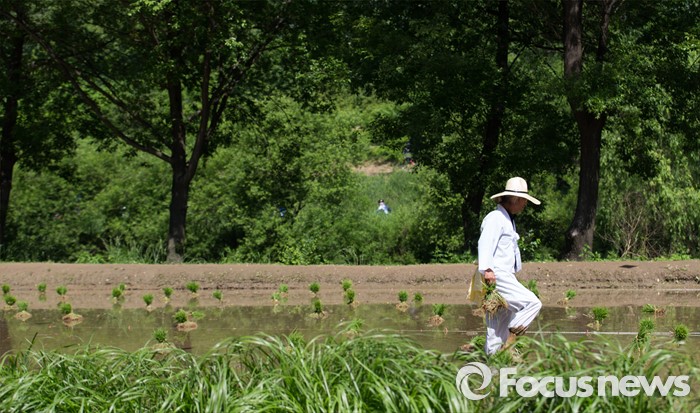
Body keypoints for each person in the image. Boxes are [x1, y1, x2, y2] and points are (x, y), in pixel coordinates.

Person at [478, 177, 542, 356]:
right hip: (497, 275)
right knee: (532, 303)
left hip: (504, 275)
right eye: (523, 201)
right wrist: (488, 270)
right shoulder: (495, 218)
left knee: (497, 325)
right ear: (515, 199)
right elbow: (485, 243)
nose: (525, 205)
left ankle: (494, 360)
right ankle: (510, 343)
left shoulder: (507, 220)